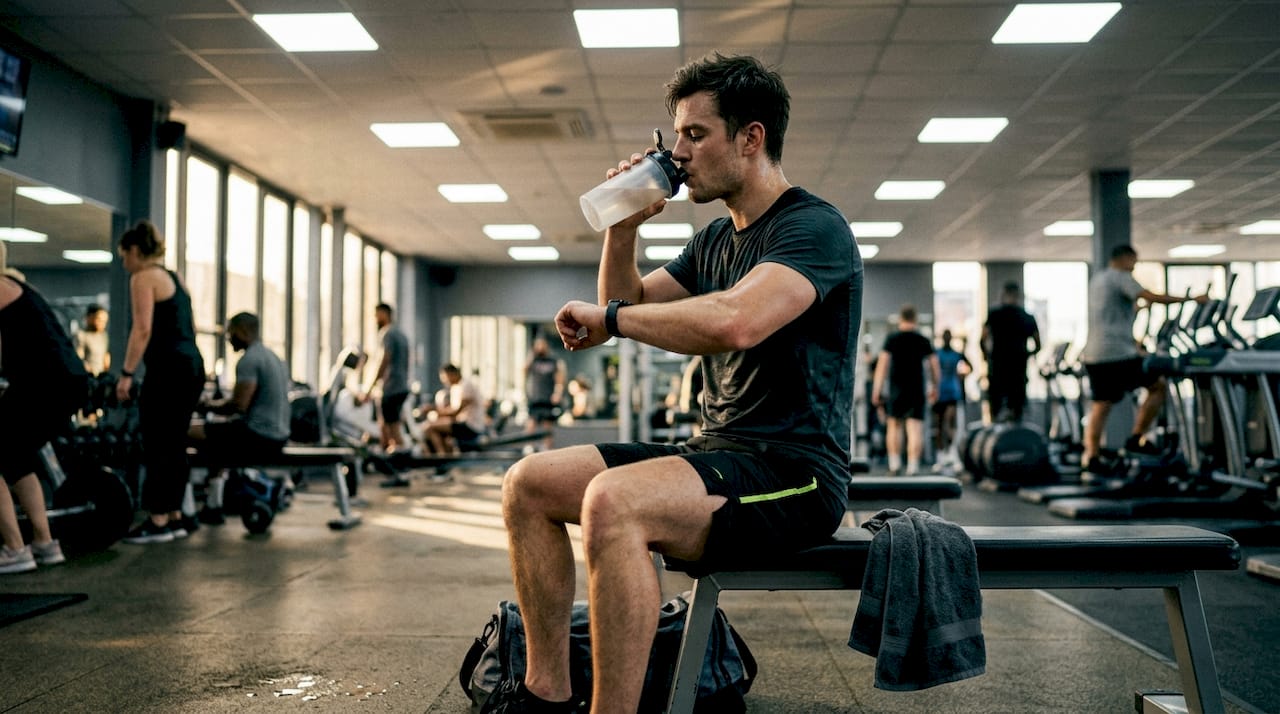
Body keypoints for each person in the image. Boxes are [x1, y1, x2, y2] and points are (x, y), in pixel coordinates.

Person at [493, 53, 861, 713]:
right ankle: (544, 695)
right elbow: (625, 308)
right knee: (529, 484)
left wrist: (612, 316)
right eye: (676, 136)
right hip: (716, 453)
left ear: (750, 138)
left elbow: (736, 322)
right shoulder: (716, 239)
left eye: (696, 134)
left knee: (615, 501)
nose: (679, 152)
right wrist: (622, 229)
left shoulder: (814, 228)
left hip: (794, 472)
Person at [115, 220, 206, 544]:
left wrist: (126, 374)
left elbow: (142, 329)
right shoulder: (174, 278)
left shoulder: (143, 278)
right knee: (175, 441)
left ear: (135, 251)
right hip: (192, 364)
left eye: (124, 256)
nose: (124, 263)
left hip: (169, 368)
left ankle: (157, 521)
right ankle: (176, 517)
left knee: (156, 442)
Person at [1079, 245, 1208, 470]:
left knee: (1101, 404)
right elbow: (1152, 295)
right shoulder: (1121, 277)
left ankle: (1091, 455)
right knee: (1158, 386)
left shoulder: (1099, 280)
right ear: (1125, 258)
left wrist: (1138, 311)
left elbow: (1112, 314)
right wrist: (1191, 299)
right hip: (1116, 354)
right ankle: (1136, 437)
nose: (1135, 266)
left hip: (1095, 353)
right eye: (1134, 261)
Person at [0, 241, 85, 573]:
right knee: (15, 456)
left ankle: (14, 548)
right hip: (66, 381)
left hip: (46, 384)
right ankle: (45, 544)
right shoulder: (15, 285)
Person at [187, 312, 290, 525]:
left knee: (184, 432)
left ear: (242, 332)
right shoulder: (273, 357)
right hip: (278, 434)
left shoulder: (249, 359)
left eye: (230, 333)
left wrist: (204, 405)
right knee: (216, 441)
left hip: (259, 436)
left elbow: (238, 406)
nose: (228, 338)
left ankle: (184, 511)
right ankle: (213, 506)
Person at [872, 304, 940, 476]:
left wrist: (876, 390)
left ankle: (894, 465)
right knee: (915, 428)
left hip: (896, 390)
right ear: (915, 319)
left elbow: (882, 366)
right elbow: (934, 366)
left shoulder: (892, 339)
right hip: (916, 389)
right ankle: (913, 466)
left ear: (900, 319)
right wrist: (935, 387)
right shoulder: (922, 340)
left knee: (894, 426)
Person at [981, 281, 1041, 423]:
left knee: (996, 413)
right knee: (1017, 413)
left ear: (1003, 294)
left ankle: (995, 440)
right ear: (1018, 296)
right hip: (1018, 371)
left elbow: (982, 340)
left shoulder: (994, 315)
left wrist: (987, 357)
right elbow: (1038, 345)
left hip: (997, 370)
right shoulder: (1027, 317)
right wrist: (1026, 355)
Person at [358, 303, 411, 454]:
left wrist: (369, 388)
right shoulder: (401, 335)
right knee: (384, 426)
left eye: (376, 315)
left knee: (391, 429)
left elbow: (384, 360)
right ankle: (388, 462)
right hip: (400, 387)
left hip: (391, 388)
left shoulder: (387, 333)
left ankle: (401, 465)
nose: (375, 319)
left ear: (384, 314)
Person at [422, 363, 488, 455]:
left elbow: (456, 412)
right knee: (432, 426)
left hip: (471, 425)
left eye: (445, 377)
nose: (444, 381)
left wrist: (434, 410)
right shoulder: (456, 387)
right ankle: (446, 454)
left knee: (429, 428)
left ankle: (442, 456)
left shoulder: (466, 385)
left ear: (452, 374)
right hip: (462, 423)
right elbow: (452, 410)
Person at [933, 329, 972, 462]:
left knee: (949, 424)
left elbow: (970, 367)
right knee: (939, 425)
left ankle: (950, 452)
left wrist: (962, 376)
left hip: (952, 393)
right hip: (939, 393)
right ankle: (940, 454)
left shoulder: (956, 354)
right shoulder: (937, 353)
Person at [524, 336, 565, 451]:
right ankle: (529, 446)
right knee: (531, 422)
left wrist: (558, 393)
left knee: (547, 424)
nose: (540, 347)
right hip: (535, 397)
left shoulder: (553, 361)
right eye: (538, 345)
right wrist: (532, 354)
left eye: (542, 344)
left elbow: (560, 379)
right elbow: (524, 370)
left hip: (548, 397)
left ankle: (548, 447)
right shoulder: (533, 361)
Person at [75, 304, 110, 376]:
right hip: (87, 377)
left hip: (101, 377)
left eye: (104, 321)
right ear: (89, 318)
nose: (102, 324)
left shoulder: (104, 336)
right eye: (99, 320)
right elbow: (79, 358)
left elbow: (106, 357)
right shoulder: (81, 335)